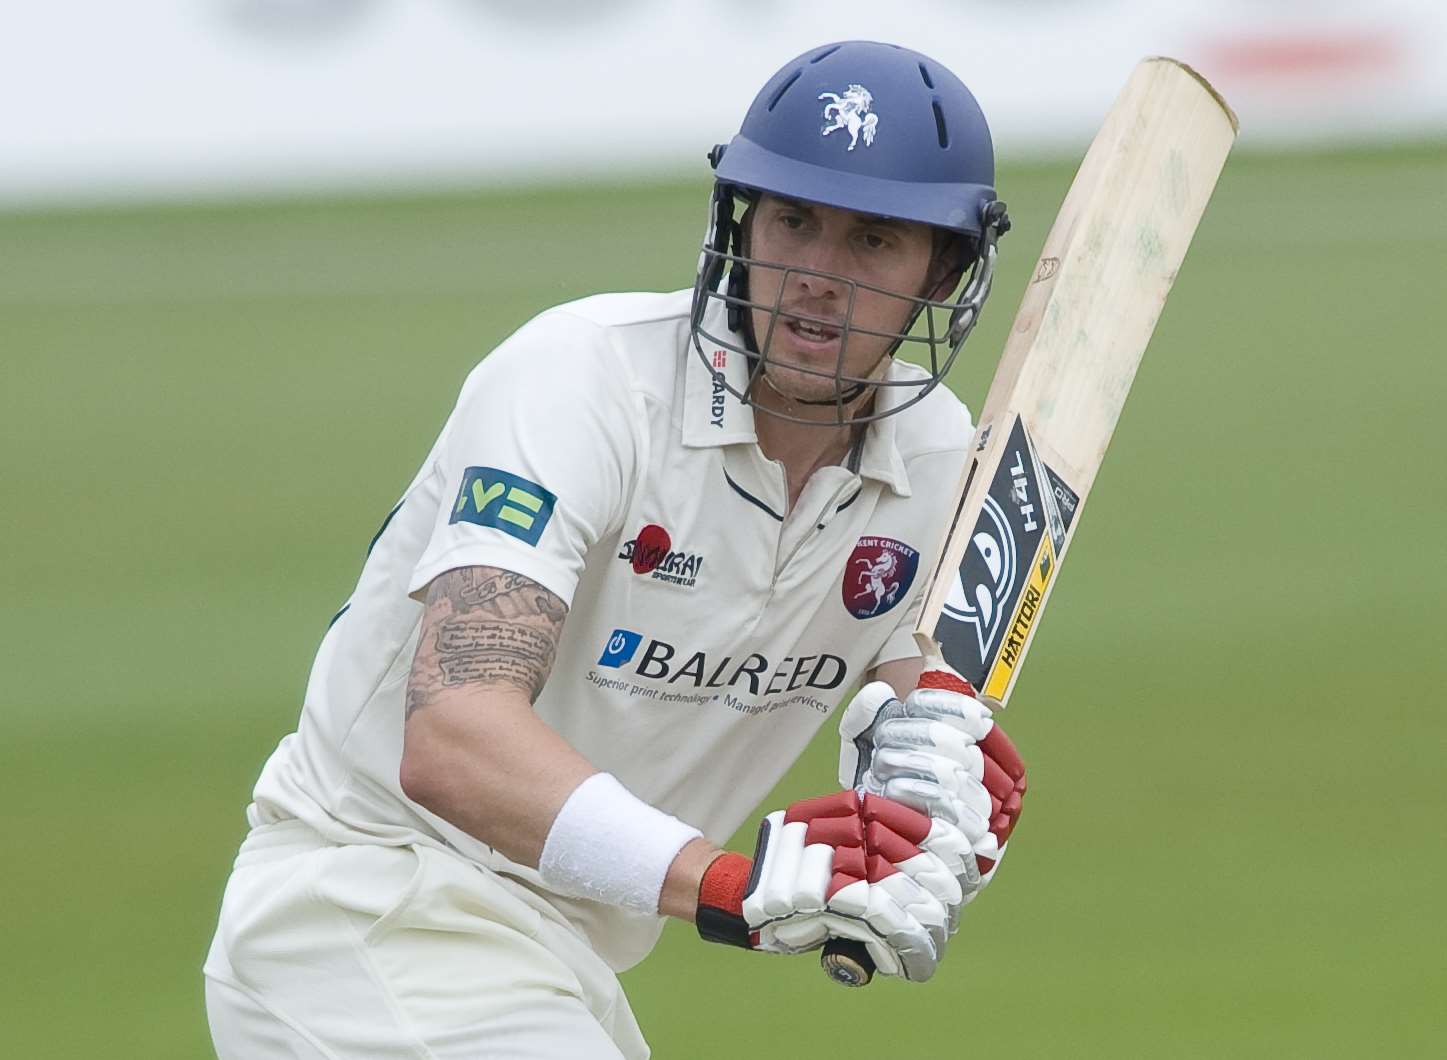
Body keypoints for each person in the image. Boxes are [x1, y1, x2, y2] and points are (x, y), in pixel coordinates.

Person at [204, 39, 1028, 1060]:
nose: (817, 277)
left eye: (872, 241)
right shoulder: (582, 381)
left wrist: (938, 808)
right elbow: (454, 735)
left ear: (942, 269)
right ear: (741, 221)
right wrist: (729, 883)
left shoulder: (940, 459)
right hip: (369, 906)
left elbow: (929, 717)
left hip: (559, 961)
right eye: (793, 221)